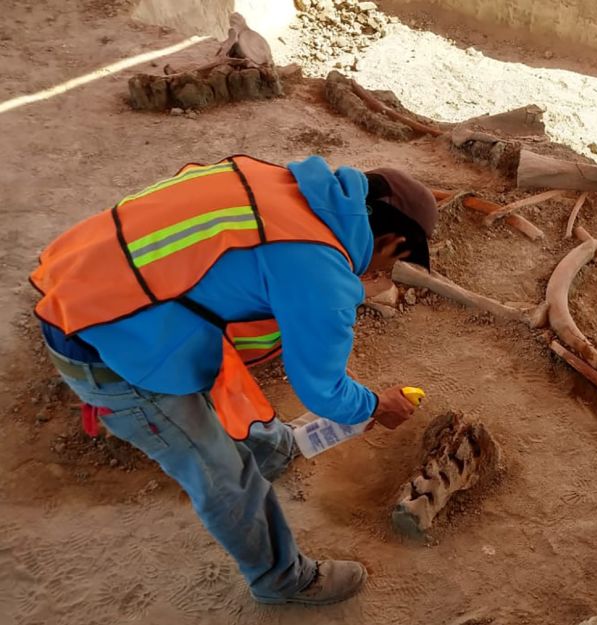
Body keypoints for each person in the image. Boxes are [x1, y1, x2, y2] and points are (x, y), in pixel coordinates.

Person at [29, 154, 437, 606]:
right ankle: (283, 580)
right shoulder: (319, 271)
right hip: (106, 347)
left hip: (90, 283)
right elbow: (323, 390)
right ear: (393, 239)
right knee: (223, 474)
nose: (375, 274)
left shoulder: (283, 185)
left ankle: (274, 447)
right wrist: (377, 407)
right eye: (387, 263)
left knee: (228, 378)